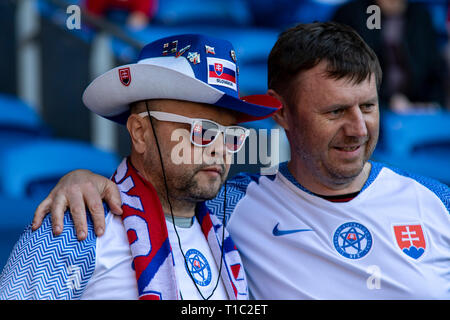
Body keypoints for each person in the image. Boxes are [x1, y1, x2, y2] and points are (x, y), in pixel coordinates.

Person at [29, 22, 450, 299]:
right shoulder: (77, 224)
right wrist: (80, 179)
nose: (358, 129)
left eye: (230, 135)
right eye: (335, 112)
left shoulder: (437, 202)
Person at [0, 34, 280, 300]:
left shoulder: (231, 214)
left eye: (230, 136)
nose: (219, 148)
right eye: (203, 131)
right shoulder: (78, 225)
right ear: (140, 133)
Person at [332, 0, 447, 112]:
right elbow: (346, 72)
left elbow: (434, 68)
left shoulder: (420, 16)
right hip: (369, 106)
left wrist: (432, 103)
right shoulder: (353, 14)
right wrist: (386, 102)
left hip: (417, 109)